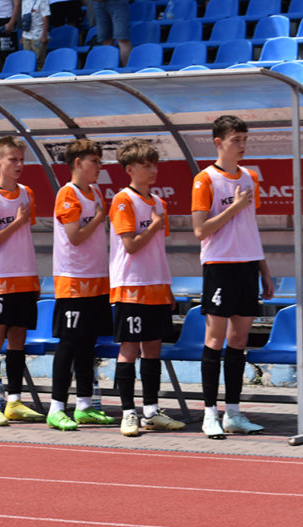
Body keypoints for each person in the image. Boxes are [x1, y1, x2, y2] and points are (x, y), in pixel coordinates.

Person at [191, 115, 274, 439]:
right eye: (236, 139)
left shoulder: (250, 177)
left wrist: (264, 270)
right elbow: (200, 230)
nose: (242, 145)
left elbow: (250, 227)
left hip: (247, 266)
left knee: (239, 341)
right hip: (220, 266)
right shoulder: (205, 179)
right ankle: (209, 413)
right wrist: (234, 207)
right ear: (219, 142)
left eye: (244, 139)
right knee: (215, 340)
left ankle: (234, 412)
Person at [108, 139, 185, 437]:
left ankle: (151, 411)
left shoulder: (159, 203)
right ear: (129, 169)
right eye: (145, 166)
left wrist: (167, 287)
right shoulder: (123, 200)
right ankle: (128, 412)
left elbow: (156, 251)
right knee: (129, 348)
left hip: (156, 286)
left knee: (153, 348)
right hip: (131, 285)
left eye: (154, 165)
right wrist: (153, 225)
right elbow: (130, 246)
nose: (152, 170)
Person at [0, 136, 45, 426]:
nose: (18, 164)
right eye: (13, 159)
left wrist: (35, 278)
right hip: (0, 279)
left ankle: (14, 400)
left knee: (19, 339)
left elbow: (24, 238)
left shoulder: (27, 193)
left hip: (25, 278)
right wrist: (16, 222)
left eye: (21, 159)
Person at [48, 139, 115, 431]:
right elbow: (74, 236)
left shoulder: (95, 192)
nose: (99, 167)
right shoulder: (68, 193)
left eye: (99, 161)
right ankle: (56, 407)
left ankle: (84, 405)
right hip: (73, 280)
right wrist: (99, 217)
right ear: (78, 163)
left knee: (89, 343)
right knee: (69, 343)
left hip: (96, 278)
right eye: (94, 161)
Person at [93, 0, 131, 67]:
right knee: (105, 40)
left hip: (117, 2)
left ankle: (127, 70)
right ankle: (109, 69)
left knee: (122, 40)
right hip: (98, 3)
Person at [21, 0, 50, 70]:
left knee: (39, 61)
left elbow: (45, 17)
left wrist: (44, 35)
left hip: (38, 36)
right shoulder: (24, 1)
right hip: (26, 36)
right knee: (27, 61)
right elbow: (23, 19)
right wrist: (22, 35)